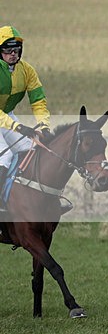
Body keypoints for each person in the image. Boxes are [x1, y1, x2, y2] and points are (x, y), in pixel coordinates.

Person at [0, 26, 55, 209]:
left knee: (28, 149)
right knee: (5, 156)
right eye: (8, 50)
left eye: (16, 50)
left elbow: (38, 101)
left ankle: (26, 201)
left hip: (5, 116)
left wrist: (43, 126)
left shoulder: (27, 71)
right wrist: (18, 127)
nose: (13, 54)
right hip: (3, 118)